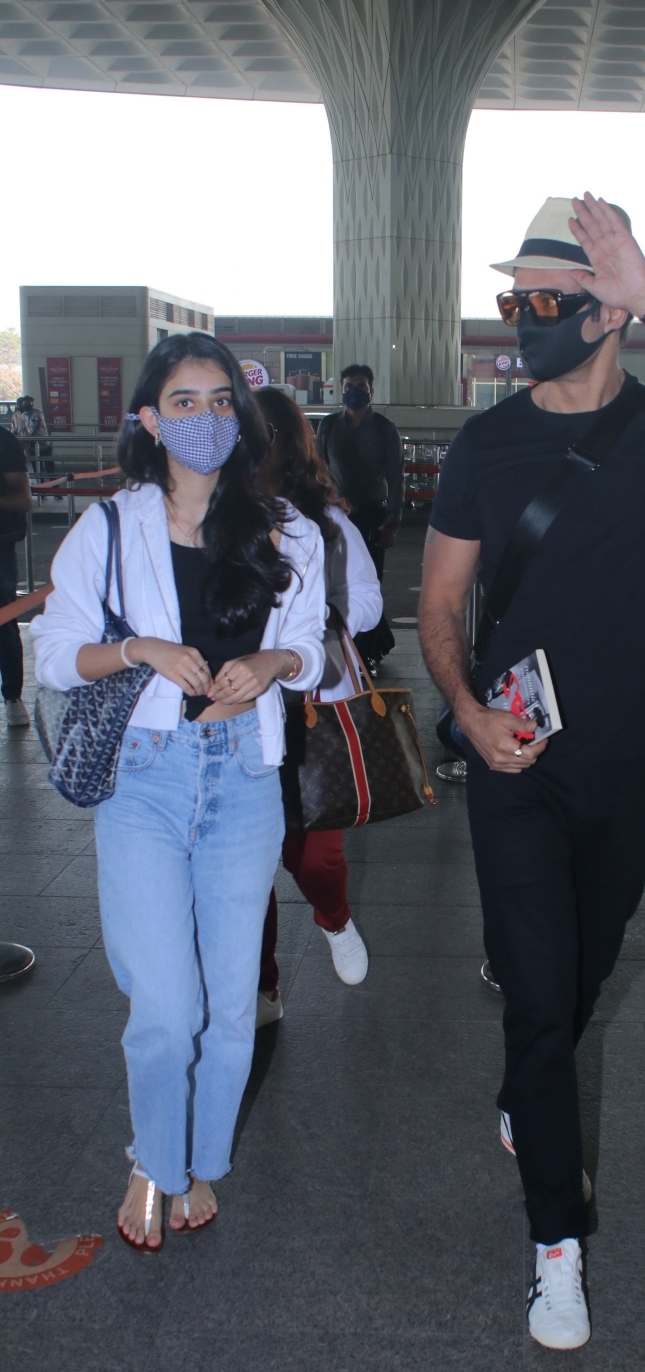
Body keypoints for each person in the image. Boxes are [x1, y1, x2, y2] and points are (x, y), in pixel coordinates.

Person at [418, 194, 645, 1351]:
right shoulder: (488, 443)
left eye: (542, 301)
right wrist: (469, 712)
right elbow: (437, 604)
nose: (518, 320)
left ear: (600, 312)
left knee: (577, 981)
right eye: (509, 301)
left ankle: (530, 1089)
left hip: (626, 752)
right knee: (538, 998)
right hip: (512, 758)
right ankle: (554, 1250)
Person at [31, 333, 325, 1252]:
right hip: (146, 778)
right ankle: (154, 1160)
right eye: (185, 403)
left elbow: (311, 647)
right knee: (165, 1002)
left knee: (233, 1002)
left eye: (221, 401)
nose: (205, 420)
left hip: (241, 771)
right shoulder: (111, 527)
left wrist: (271, 661)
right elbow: (53, 653)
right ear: (151, 419)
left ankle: (196, 1160)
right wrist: (138, 650)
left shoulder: (288, 529)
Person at [253, 385, 383, 1024]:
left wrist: (321, 618)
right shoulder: (202, 517)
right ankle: (262, 986)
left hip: (314, 698)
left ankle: (334, 918)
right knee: (247, 863)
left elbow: (368, 598)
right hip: (233, 713)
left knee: (314, 850)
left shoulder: (327, 525)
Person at [316, 364, 402, 673]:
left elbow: (396, 477)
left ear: (371, 390)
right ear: (340, 389)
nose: (354, 391)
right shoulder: (327, 427)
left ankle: (366, 655)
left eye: (361, 386)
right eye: (349, 385)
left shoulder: (383, 428)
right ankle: (362, 645)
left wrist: (392, 520)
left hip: (373, 514)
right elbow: (318, 471)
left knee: (369, 585)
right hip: (338, 516)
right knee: (336, 583)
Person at [0, 421, 31, 727]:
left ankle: (12, 696)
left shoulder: (4, 441)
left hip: (0, 544)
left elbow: (23, 499)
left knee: (5, 619)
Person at [11, 396, 52, 476]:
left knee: (49, 466)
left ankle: (54, 486)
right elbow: (24, 428)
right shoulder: (24, 415)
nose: (25, 405)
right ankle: (40, 484)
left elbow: (38, 425)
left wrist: (30, 437)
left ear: (32, 404)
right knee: (36, 467)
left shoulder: (38, 412)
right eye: (24, 404)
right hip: (32, 445)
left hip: (43, 443)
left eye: (27, 403)